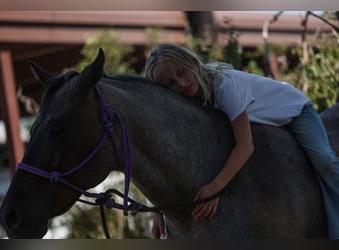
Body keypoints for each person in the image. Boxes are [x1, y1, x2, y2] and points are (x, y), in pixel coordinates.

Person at [143, 43, 339, 239]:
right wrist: (158, 211)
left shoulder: (224, 85)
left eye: (181, 72)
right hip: (262, 121)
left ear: (194, 63)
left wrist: (215, 188)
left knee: (325, 160)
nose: (181, 83)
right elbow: (167, 163)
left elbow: (245, 145)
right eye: (170, 83)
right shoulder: (187, 103)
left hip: (293, 110)